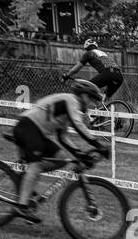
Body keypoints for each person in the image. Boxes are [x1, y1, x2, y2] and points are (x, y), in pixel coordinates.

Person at [8, 79, 109, 224]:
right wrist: (98, 145)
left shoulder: (69, 109)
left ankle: (26, 178)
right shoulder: (71, 100)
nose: (92, 104)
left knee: (61, 158)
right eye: (92, 99)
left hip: (39, 132)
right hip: (28, 126)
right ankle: (21, 207)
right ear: (84, 96)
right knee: (35, 166)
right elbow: (79, 125)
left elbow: (62, 137)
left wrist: (78, 153)